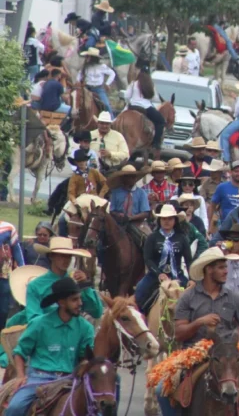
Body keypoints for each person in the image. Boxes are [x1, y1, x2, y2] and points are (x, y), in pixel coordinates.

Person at [157, 248, 239, 416]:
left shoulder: (232, 296)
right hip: (194, 353)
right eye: (221, 267)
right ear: (209, 269)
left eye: (226, 267)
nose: (226, 271)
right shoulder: (188, 297)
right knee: (161, 389)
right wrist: (200, 322)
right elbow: (178, 333)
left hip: (228, 352)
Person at [5, 278, 95, 416]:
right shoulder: (39, 324)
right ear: (61, 302)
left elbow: (85, 357)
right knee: (15, 408)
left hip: (69, 379)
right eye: (74, 300)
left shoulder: (86, 328)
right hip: (38, 379)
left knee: (98, 409)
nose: (80, 303)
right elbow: (20, 352)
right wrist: (20, 376)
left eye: (80, 299)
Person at [23, 237, 101, 323]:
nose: (66, 260)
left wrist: (85, 286)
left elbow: (97, 312)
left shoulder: (75, 283)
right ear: (51, 256)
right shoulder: (35, 285)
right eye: (62, 255)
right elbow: (33, 318)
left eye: (69, 256)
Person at [134, 204, 192, 312]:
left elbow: (189, 261)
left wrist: (192, 279)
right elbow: (148, 259)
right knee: (140, 291)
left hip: (177, 275)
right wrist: (159, 273)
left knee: (193, 297)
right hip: (155, 275)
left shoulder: (182, 238)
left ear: (175, 220)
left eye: (170, 218)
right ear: (159, 220)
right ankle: (142, 319)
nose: (167, 221)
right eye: (164, 218)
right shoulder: (152, 238)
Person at [107, 165, 151, 250]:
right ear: (123, 178)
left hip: (137, 223)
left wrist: (131, 218)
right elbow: (112, 210)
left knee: (147, 239)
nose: (132, 179)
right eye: (129, 177)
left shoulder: (141, 193)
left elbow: (145, 213)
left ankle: (147, 261)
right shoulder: (116, 192)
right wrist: (118, 215)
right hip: (118, 223)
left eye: (133, 177)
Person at [77, 47, 116, 117]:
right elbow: (79, 76)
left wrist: (107, 83)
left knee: (106, 104)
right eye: (88, 57)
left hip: (98, 89)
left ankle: (112, 120)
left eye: (89, 57)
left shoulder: (102, 67)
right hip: (87, 89)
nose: (88, 58)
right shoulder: (85, 67)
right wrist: (78, 83)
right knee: (76, 103)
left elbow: (112, 73)